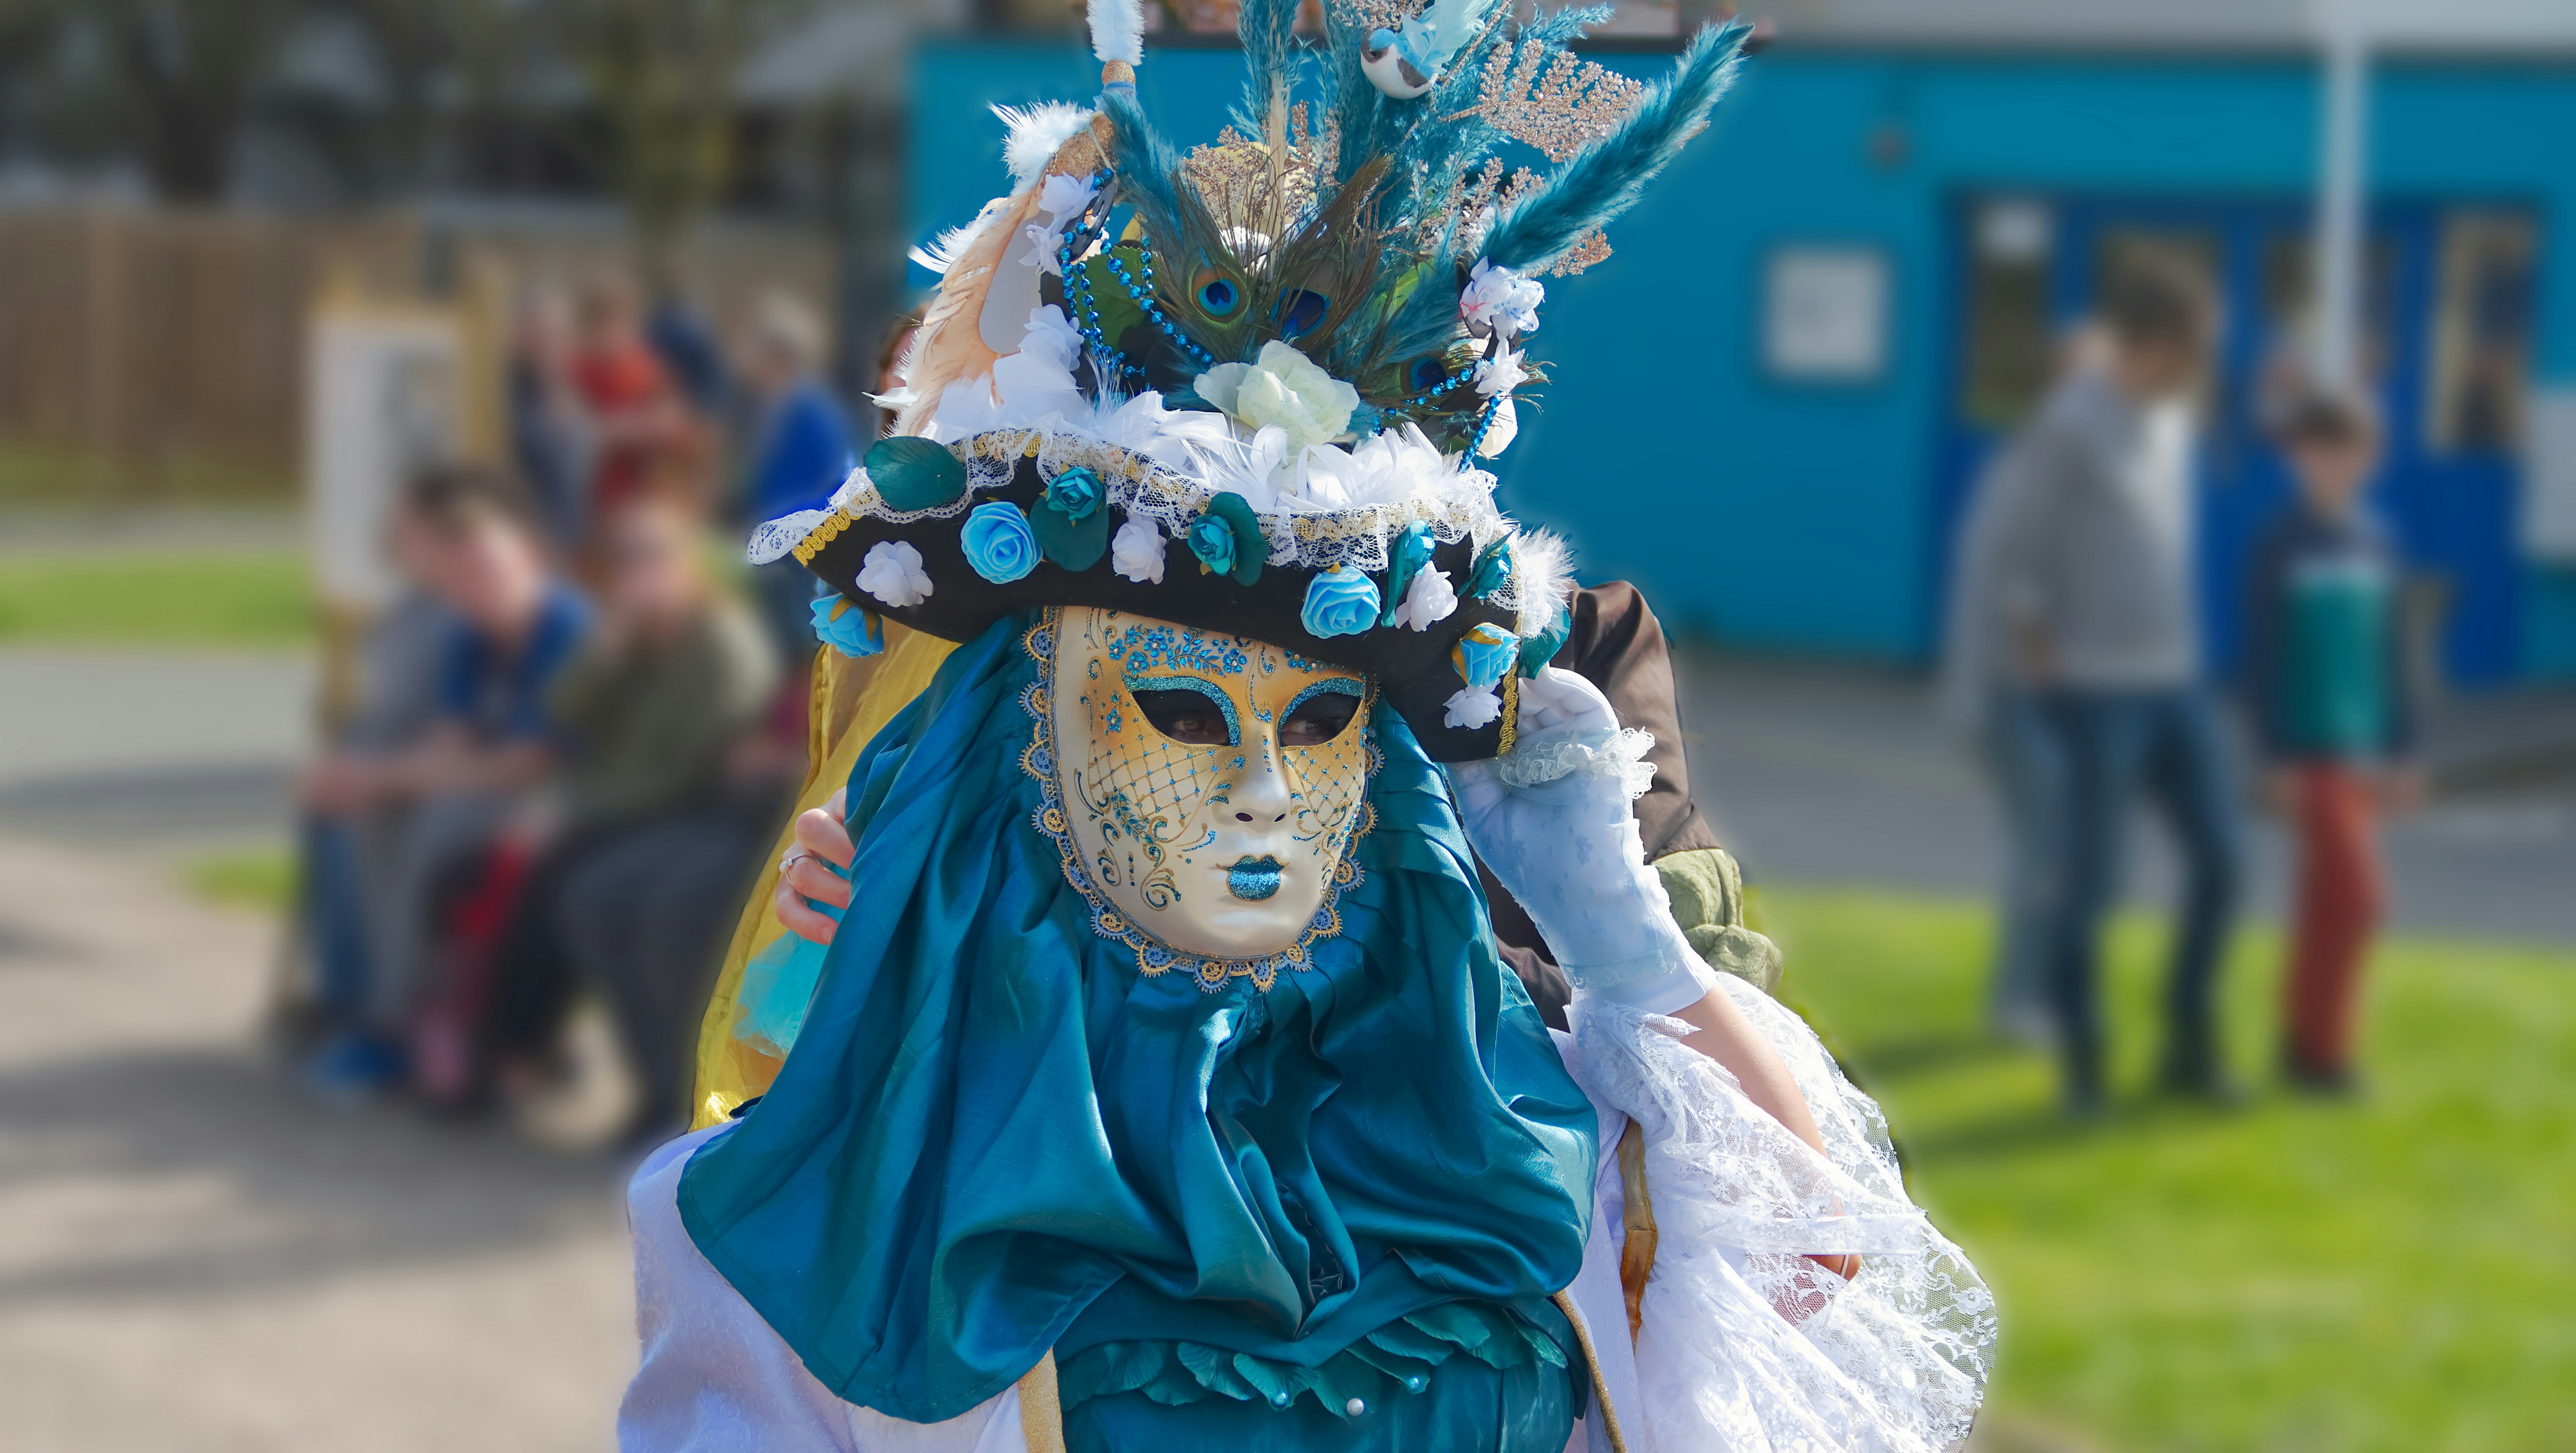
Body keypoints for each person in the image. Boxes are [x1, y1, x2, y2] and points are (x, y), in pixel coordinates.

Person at [620, 17, 1990, 1452]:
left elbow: (1816, 1254)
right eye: (1175, 715)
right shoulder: (802, 1222)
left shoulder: (1529, 1132)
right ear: (1018, 749)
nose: (1267, 790)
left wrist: (1624, 941)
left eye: (1326, 722)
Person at [1979, 253, 2246, 1112]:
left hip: (2173, 683)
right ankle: (2085, 1069)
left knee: (2222, 862)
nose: (2205, 358)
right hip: (2096, 693)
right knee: (2089, 881)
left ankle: (2187, 1044)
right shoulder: (2070, 426)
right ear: (2159, 342)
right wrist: (2043, 660)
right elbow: (2016, 557)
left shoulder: (2167, 422)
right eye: (2196, 342)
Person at [482, 492, 781, 1136]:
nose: (638, 575)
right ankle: (552, 1058)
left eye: (653, 558)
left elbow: (686, 773)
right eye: (625, 562)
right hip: (627, 809)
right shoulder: (639, 639)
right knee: (562, 885)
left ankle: (524, 1051)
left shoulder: (718, 647)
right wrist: (606, 652)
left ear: (689, 563)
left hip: (701, 816)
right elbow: (560, 715)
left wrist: (571, 811)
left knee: (570, 879)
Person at [2243, 384, 2419, 1095]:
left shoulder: (2376, 543)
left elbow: (2393, 656)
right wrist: (2273, 755)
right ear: (2298, 458)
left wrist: (2402, 751)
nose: (2331, 466)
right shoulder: (2281, 545)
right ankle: (2328, 1054)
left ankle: (2300, 1044)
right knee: (2360, 900)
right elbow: (2261, 659)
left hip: (2362, 750)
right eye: (2317, 452)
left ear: (2369, 458)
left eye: (2346, 452)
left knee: (2326, 903)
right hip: (2308, 750)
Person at [735, 291, 858, 664]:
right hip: (773, 540)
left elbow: (837, 485)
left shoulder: (813, 410)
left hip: (800, 547)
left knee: (795, 643)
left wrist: (774, 531)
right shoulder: (775, 403)